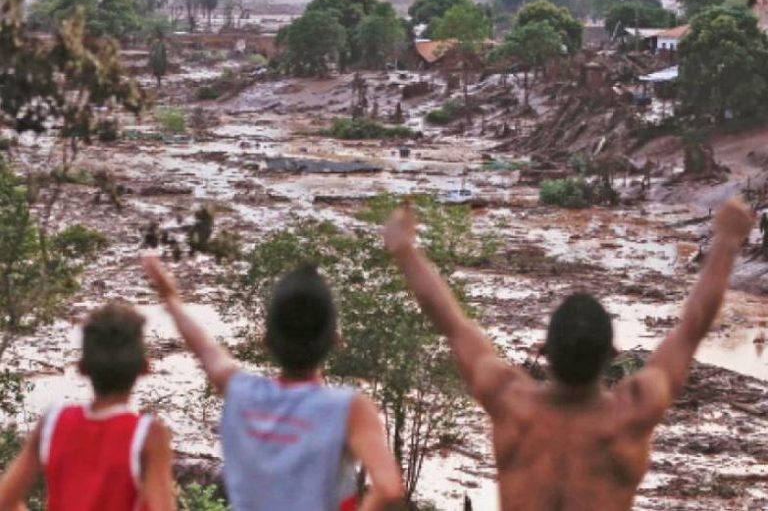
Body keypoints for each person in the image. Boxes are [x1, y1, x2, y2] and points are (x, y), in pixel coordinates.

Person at [384, 197, 753, 511]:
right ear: (612, 354)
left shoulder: (511, 403)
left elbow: (451, 322)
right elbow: (692, 328)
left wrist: (404, 251)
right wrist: (726, 242)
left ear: (543, 351)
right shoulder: (631, 413)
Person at [142, 257, 403, 511]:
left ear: (265, 339)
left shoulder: (242, 393)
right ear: (335, 339)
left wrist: (170, 298)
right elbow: (387, 486)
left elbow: (206, 350)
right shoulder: (349, 409)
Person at [0, 302, 176, 511]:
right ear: (145, 368)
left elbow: (5, 501)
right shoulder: (147, 435)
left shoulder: (52, 423)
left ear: (82, 368)